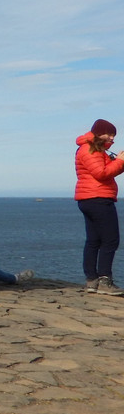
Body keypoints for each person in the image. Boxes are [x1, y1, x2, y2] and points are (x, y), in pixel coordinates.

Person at [74, 118, 124, 295]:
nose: (112, 138)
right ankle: (104, 280)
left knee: (94, 240)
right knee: (110, 240)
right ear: (98, 133)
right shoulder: (90, 149)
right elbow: (101, 173)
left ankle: (91, 281)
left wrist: (117, 162)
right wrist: (120, 162)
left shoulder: (92, 148)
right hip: (99, 198)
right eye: (109, 134)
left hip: (88, 198)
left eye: (113, 135)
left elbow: (102, 170)